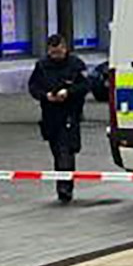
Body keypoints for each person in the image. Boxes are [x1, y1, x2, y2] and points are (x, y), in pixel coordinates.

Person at [28, 34, 89, 203]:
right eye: (53, 53)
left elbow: (85, 85)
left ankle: (65, 188)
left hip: (70, 113)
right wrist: (46, 96)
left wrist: (68, 92)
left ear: (65, 48)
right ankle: (63, 184)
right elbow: (33, 87)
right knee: (57, 151)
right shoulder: (42, 66)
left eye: (59, 52)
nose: (56, 56)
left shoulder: (75, 65)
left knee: (66, 150)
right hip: (50, 114)